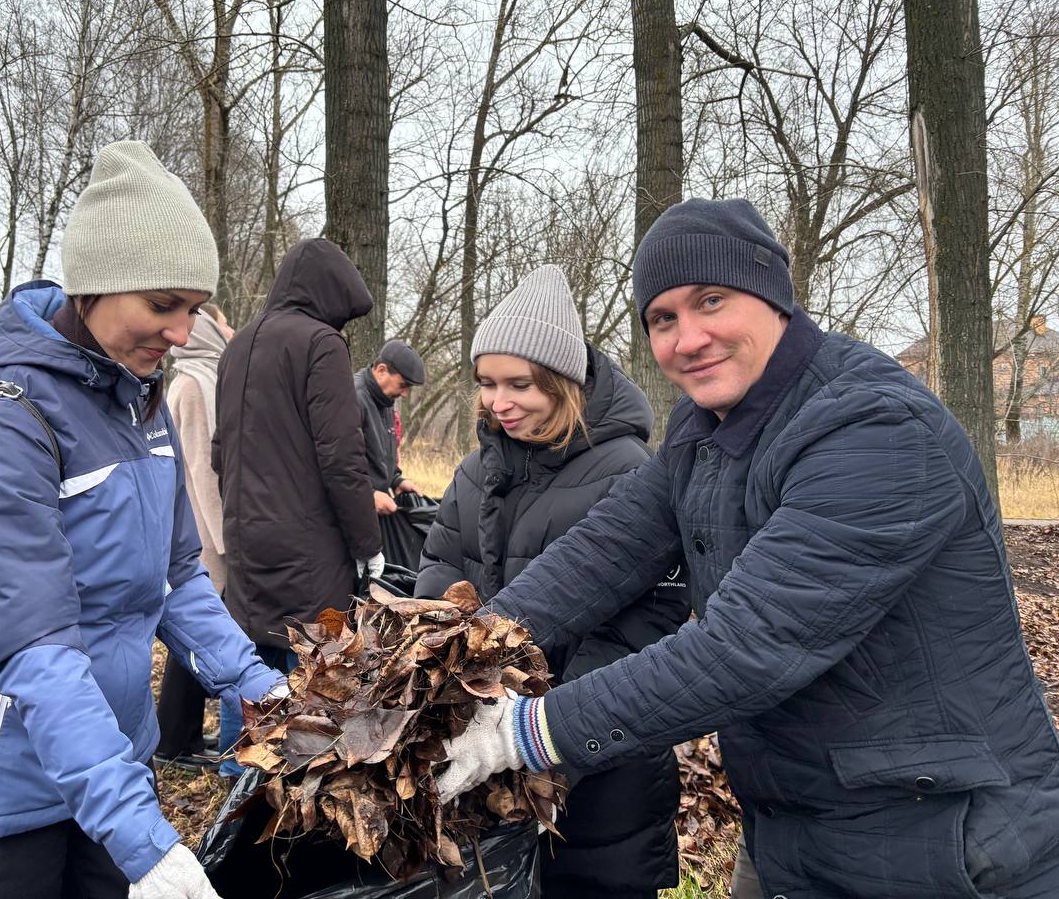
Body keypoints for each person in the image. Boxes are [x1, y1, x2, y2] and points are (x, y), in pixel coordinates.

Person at [436, 198, 1059, 898]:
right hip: (796, 818)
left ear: (773, 295)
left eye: (711, 301)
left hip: (940, 835)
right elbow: (603, 552)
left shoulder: (876, 426)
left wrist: (525, 732)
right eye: (662, 318)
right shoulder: (704, 427)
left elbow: (749, 644)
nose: (689, 338)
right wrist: (453, 652)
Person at [0, 140, 282, 899]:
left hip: (112, 770)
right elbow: (36, 643)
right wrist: (141, 837)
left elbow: (176, 577)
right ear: (93, 285)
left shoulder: (142, 404)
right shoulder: (0, 419)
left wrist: (259, 686)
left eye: (194, 310)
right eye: (163, 305)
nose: (182, 333)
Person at [414, 266, 688, 897]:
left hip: (596, 751)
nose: (499, 402)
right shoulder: (476, 469)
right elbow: (441, 565)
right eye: (487, 384)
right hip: (478, 735)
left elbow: (645, 626)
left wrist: (539, 720)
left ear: (564, 384)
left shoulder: (628, 471)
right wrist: (451, 682)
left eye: (520, 384)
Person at [213, 238, 383, 672]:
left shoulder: (237, 346)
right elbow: (342, 458)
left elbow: (220, 452)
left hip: (245, 539)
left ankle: (247, 723)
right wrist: (367, 545)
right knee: (315, 676)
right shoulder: (321, 343)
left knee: (252, 671)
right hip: (311, 549)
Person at [154, 304, 233, 775]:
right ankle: (173, 739)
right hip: (203, 529)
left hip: (197, 525)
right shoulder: (195, 385)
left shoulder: (199, 378)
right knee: (195, 631)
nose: (229, 329)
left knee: (196, 629)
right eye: (221, 323)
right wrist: (225, 538)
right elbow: (203, 469)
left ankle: (179, 734)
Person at [354, 339, 425, 517]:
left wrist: (396, 480)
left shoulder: (385, 399)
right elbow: (336, 464)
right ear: (381, 371)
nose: (405, 394)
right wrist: (368, 496)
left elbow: (380, 452)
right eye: (403, 385)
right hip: (349, 512)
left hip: (372, 510)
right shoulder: (353, 399)